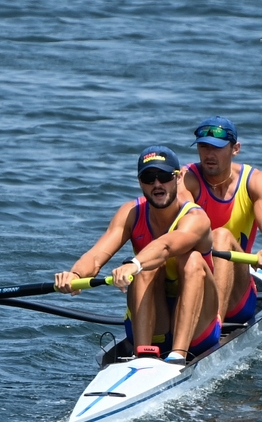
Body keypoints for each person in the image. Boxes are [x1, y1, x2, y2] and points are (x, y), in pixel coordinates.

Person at [56, 146, 222, 364]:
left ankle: (178, 355)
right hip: (155, 324)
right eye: (148, 178)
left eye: (164, 176)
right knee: (145, 268)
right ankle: (141, 355)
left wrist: (134, 264)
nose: (157, 184)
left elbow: (166, 246)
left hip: (199, 329)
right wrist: (75, 275)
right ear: (140, 182)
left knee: (190, 260)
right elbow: (97, 255)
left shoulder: (196, 218)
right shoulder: (131, 213)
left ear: (179, 177)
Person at [180, 116, 262, 334]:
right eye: (203, 147)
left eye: (217, 148)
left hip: (238, 298)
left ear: (235, 149)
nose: (209, 154)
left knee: (221, 236)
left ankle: (213, 326)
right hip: (192, 281)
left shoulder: (255, 181)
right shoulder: (185, 179)